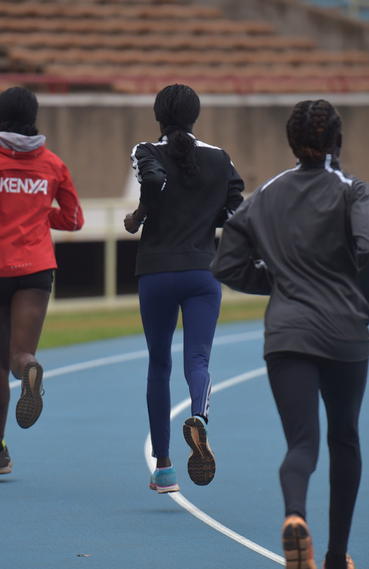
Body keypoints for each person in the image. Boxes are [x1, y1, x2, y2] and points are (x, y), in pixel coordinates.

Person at [211, 99, 369, 569]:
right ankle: (336, 564)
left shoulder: (264, 195)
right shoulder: (353, 190)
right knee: (346, 439)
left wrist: (277, 281)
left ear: (291, 143)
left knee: (302, 444)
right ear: (338, 141)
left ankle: (295, 515)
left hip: (287, 335)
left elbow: (226, 265)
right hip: (344, 335)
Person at [0, 86, 84, 476]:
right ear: (34, 118)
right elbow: (75, 219)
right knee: (19, 355)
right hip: (37, 269)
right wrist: (42, 214)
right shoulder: (53, 164)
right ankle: (28, 366)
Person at [124, 84, 245, 495]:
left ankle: (164, 468)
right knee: (198, 360)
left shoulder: (145, 150)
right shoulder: (219, 157)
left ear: (158, 116)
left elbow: (155, 182)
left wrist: (139, 217)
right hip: (202, 272)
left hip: (156, 272)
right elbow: (234, 211)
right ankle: (199, 417)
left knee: (159, 364)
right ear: (195, 117)